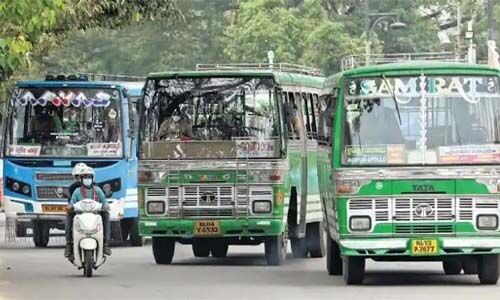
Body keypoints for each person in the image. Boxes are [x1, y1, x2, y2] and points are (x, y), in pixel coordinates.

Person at [65, 166, 111, 259]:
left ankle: (106, 244)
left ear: (93, 178)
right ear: (81, 179)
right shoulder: (77, 191)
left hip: (95, 214)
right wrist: (70, 207)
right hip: (80, 215)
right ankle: (69, 245)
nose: (87, 179)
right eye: (85, 177)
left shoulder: (97, 190)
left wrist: (105, 205)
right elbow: (72, 202)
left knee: (106, 214)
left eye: (89, 177)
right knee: (69, 216)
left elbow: (104, 201)